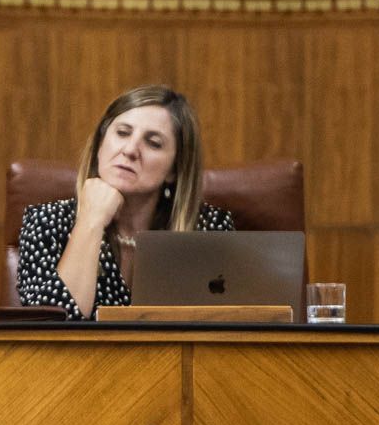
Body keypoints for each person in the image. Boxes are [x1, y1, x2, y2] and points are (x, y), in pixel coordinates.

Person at [17, 85, 235, 320]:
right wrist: (92, 220)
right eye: (122, 133)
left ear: (174, 169)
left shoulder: (207, 230)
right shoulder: (47, 222)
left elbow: (224, 334)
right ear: (100, 145)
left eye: (153, 143)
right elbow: (54, 328)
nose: (130, 150)